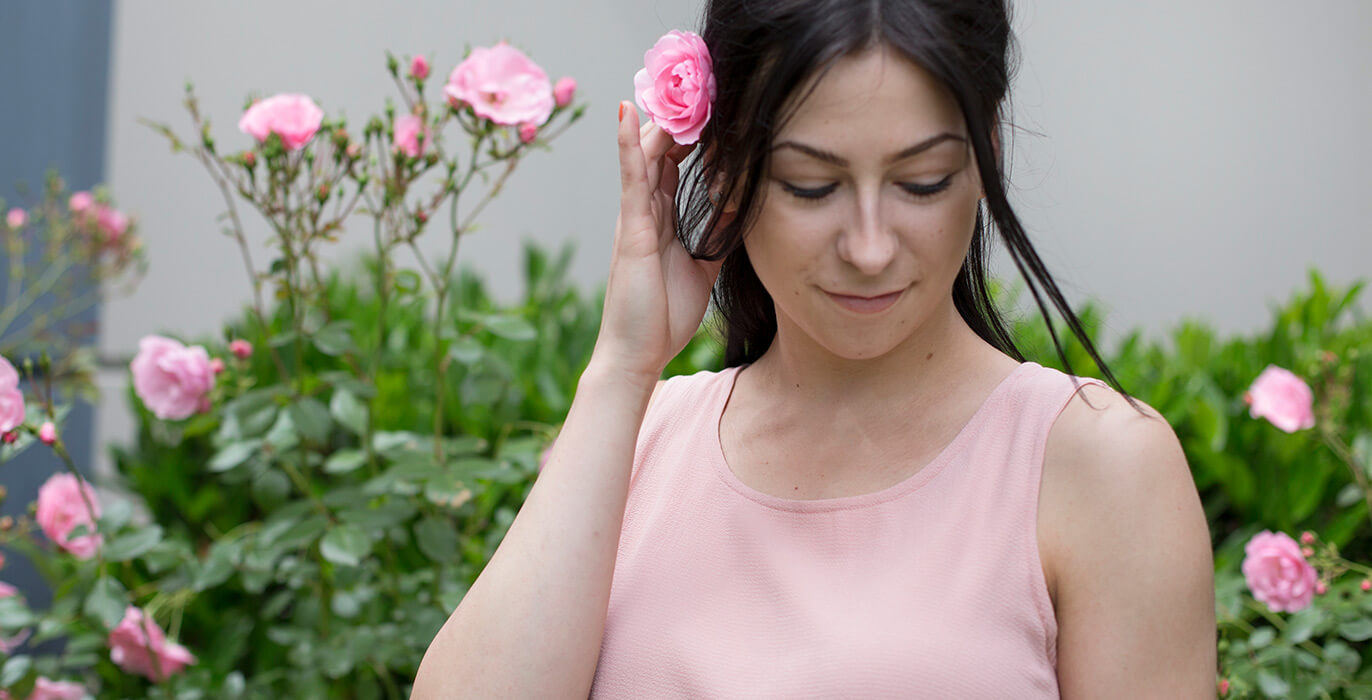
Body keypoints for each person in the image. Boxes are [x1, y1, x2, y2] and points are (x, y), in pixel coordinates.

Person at [412, 0, 1217, 697]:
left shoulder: (1101, 468)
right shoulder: (633, 442)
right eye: (811, 186)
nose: (869, 247)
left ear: (986, 160)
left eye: (923, 181)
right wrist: (624, 368)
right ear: (724, 170)